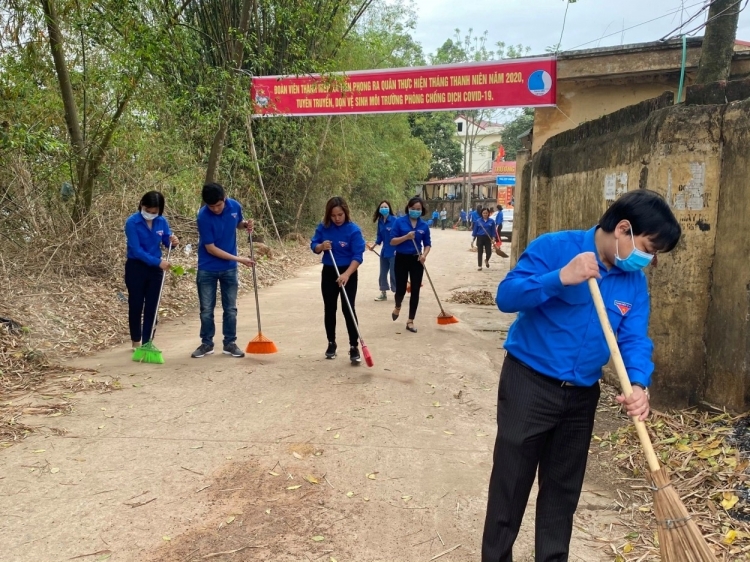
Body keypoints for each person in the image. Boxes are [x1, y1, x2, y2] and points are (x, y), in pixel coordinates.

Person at [482, 189, 682, 562]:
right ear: (623, 228)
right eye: (648, 248)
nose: (649, 260)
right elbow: (507, 297)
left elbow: (634, 338)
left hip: (581, 395)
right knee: (510, 486)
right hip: (529, 383)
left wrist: (639, 384)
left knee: (562, 492)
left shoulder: (632, 282)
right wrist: (560, 277)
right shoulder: (556, 247)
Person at [191, 183, 254, 359]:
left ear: (224, 198)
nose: (216, 209)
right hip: (207, 268)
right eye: (212, 206)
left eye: (219, 205)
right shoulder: (203, 216)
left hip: (229, 270)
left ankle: (230, 343)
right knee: (206, 309)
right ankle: (206, 343)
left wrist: (245, 225)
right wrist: (239, 259)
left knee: (231, 308)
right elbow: (210, 248)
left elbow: (238, 224)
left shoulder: (235, 206)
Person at [311, 196, 366, 364]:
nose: (337, 218)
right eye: (334, 215)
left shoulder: (353, 230)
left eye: (340, 215)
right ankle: (331, 343)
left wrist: (347, 274)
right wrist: (321, 247)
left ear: (345, 213)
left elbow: (358, 257)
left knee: (348, 309)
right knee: (330, 308)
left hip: (348, 272)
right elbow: (314, 245)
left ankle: (353, 346)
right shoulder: (324, 227)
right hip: (329, 272)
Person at [124, 191, 179, 348]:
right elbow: (136, 250)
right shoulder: (132, 222)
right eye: (147, 210)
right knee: (136, 304)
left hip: (155, 271)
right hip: (136, 267)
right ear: (142, 205)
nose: (150, 214)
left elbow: (167, 243)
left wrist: (173, 242)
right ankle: (136, 340)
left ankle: (148, 343)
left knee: (152, 306)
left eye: (154, 212)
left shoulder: (162, 222)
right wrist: (157, 262)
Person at [390, 196, 431, 334]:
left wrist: (424, 255)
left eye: (418, 209)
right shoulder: (399, 222)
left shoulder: (424, 226)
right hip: (401, 259)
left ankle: (410, 320)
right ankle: (397, 305)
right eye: (413, 209)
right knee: (400, 289)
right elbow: (392, 241)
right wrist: (406, 237)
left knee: (415, 290)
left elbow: (427, 244)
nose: (415, 211)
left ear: (422, 210)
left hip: (416, 260)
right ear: (408, 208)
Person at [370, 200, 397, 301]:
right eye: (382, 207)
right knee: (383, 273)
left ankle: (397, 293)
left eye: (386, 207)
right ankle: (383, 293)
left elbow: (399, 236)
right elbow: (379, 236)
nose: (384, 209)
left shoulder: (395, 220)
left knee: (394, 273)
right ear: (379, 209)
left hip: (394, 252)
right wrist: (374, 245)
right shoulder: (380, 221)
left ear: (389, 208)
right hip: (384, 251)